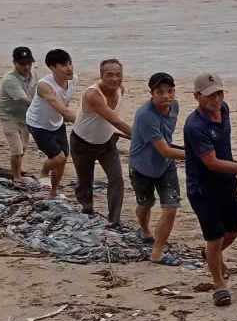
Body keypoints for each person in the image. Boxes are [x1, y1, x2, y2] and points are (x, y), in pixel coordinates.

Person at [181, 72, 237, 307]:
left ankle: (210, 255)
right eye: (210, 95)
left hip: (227, 183)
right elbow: (212, 163)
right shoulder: (195, 125)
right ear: (197, 97)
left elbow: (224, 153)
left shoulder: (225, 110)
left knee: (232, 231)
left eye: (220, 93)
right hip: (203, 188)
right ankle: (219, 284)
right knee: (214, 237)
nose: (217, 99)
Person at [129, 72, 186, 265]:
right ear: (151, 93)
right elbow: (165, 150)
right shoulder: (146, 115)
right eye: (160, 92)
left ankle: (157, 252)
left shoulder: (175, 107)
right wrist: (198, 157)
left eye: (170, 91)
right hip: (142, 168)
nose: (166, 96)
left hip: (166, 167)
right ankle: (144, 229)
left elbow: (167, 141)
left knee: (170, 208)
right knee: (145, 205)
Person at [70, 59, 131, 225]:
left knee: (117, 179)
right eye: (109, 75)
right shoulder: (92, 95)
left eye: (118, 75)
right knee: (85, 182)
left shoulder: (121, 90)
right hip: (82, 143)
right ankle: (87, 210)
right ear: (101, 76)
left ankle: (114, 220)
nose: (115, 79)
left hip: (107, 143)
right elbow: (115, 120)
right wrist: (141, 137)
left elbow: (111, 122)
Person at [25, 49, 76, 199]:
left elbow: (65, 101)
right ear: (52, 67)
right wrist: (82, 124)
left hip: (56, 122)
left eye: (70, 63)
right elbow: (59, 106)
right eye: (64, 65)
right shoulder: (44, 85)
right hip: (38, 124)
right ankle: (43, 173)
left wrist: (66, 116)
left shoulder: (73, 79)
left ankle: (53, 192)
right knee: (58, 157)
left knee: (63, 159)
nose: (70, 68)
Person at [0, 47, 38, 182]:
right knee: (17, 148)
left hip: (24, 116)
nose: (26, 67)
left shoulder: (34, 75)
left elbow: (39, 93)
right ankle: (16, 176)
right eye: (22, 64)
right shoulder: (10, 79)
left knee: (24, 147)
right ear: (14, 63)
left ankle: (18, 170)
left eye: (29, 63)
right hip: (8, 114)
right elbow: (26, 100)